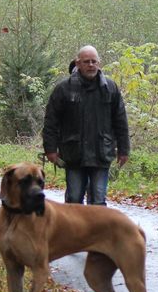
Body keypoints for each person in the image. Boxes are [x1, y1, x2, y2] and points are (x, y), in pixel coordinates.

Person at [43, 45, 130, 205]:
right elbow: (51, 122)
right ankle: (74, 223)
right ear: (78, 63)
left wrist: (124, 150)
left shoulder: (111, 88)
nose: (91, 65)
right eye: (86, 61)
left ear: (99, 63)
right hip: (74, 155)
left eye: (93, 61)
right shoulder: (63, 88)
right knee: (74, 199)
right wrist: (50, 149)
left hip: (101, 153)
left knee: (98, 201)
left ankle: (95, 223)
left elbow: (120, 121)